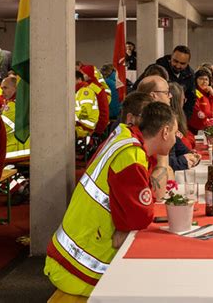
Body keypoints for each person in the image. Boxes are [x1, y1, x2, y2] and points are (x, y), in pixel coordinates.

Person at [44, 102, 178, 297]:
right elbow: (140, 217)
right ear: (165, 131)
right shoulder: (131, 156)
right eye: (175, 132)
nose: (176, 139)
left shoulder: (123, 137)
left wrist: (124, 226)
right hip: (81, 268)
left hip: (66, 253)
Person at [140, 45, 195, 118]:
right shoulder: (156, 69)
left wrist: (184, 117)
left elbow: (191, 99)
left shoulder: (190, 74)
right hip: (155, 115)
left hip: (177, 116)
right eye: (175, 61)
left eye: (182, 63)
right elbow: (139, 89)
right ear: (171, 57)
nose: (178, 66)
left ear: (188, 63)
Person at [168, 82, 200, 170]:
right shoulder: (169, 120)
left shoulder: (178, 118)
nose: (184, 102)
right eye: (183, 99)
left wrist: (190, 153)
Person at [0, 76, 30, 160]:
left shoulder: (12, 107)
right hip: (26, 150)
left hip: (13, 152)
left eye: (5, 88)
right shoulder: (27, 102)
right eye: (2, 88)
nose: (2, 92)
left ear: (16, 88)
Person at [188, 69, 213, 134]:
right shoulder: (193, 93)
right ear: (195, 80)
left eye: (206, 79)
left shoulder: (208, 94)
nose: (204, 81)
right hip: (194, 130)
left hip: (206, 129)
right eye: (201, 79)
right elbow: (199, 114)